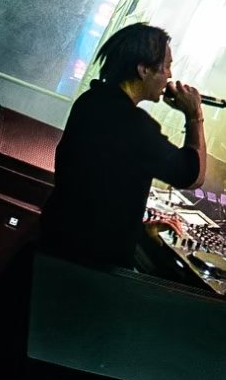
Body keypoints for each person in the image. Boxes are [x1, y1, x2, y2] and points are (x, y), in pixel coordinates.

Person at [37, 23, 207, 270]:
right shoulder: (135, 126)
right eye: (166, 66)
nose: (170, 75)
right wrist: (194, 116)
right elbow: (193, 176)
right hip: (89, 267)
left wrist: (137, 226)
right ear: (143, 69)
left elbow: (99, 188)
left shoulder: (90, 100)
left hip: (57, 242)